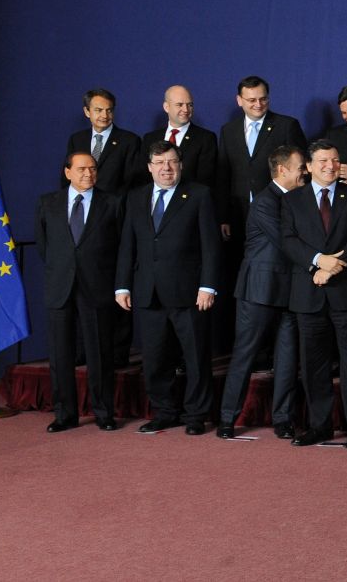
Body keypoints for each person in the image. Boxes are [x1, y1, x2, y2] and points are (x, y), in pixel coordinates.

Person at [114, 141, 221, 435]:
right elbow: (128, 245)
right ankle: (164, 412)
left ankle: (196, 415)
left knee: (196, 356)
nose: (166, 168)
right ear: (149, 167)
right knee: (155, 357)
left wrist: (208, 285)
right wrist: (122, 285)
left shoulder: (199, 194)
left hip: (189, 292)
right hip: (148, 291)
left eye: (172, 162)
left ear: (181, 165)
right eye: (160, 163)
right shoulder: (136, 197)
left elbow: (211, 247)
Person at [282, 140, 347, 449]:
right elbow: (288, 241)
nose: (330, 166)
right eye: (322, 161)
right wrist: (318, 262)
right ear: (308, 166)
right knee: (313, 366)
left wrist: (332, 267)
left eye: (334, 160)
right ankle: (320, 426)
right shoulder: (292, 200)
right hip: (308, 295)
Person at [216, 145, 305, 440]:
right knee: (245, 355)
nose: (304, 171)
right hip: (259, 291)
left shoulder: (298, 199)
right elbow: (287, 242)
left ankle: (283, 419)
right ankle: (228, 418)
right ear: (282, 170)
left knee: (287, 359)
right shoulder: (266, 201)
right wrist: (320, 261)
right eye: (299, 167)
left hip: (290, 292)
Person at [35, 151, 125, 432]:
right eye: (82, 169)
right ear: (67, 173)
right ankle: (65, 414)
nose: (88, 174)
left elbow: (121, 246)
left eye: (93, 169)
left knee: (99, 353)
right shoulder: (48, 203)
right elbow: (44, 246)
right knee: (60, 354)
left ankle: (103, 411)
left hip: (96, 287)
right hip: (60, 286)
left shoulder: (112, 203)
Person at [219, 75, 307, 246]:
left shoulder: (286, 126)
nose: (258, 105)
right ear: (239, 100)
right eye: (251, 100)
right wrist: (224, 216)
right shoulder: (228, 130)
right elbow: (223, 175)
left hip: (278, 210)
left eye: (263, 99)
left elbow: (302, 170)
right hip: (239, 213)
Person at [144, 85, 218, 193]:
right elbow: (144, 176)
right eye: (179, 105)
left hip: (189, 201)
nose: (186, 109)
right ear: (166, 107)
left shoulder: (206, 138)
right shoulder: (150, 138)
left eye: (190, 105)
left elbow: (205, 179)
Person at [67, 88, 142, 194]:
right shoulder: (77, 139)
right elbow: (68, 175)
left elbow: (133, 181)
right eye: (98, 110)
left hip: (115, 206)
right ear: (87, 112)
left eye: (109, 110)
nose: (105, 116)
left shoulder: (129, 140)